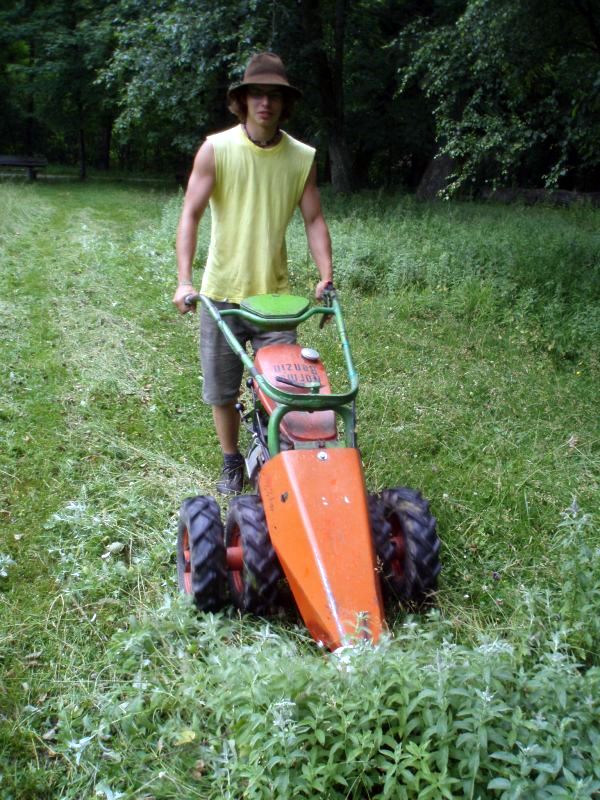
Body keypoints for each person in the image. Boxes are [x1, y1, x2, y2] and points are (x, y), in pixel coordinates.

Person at [173, 52, 333, 494]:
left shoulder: (301, 157)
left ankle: (273, 454)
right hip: (221, 294)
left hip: (274, 300)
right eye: (257, 94)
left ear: (285, 103)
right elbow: (190, 214)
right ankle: (231, 461)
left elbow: (314, 219)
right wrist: (184, 280)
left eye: (274, 95)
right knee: (222, 391)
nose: (265, 102)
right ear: (242, 100)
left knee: (284, 389)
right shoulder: (217, 149)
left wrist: (326, 275)